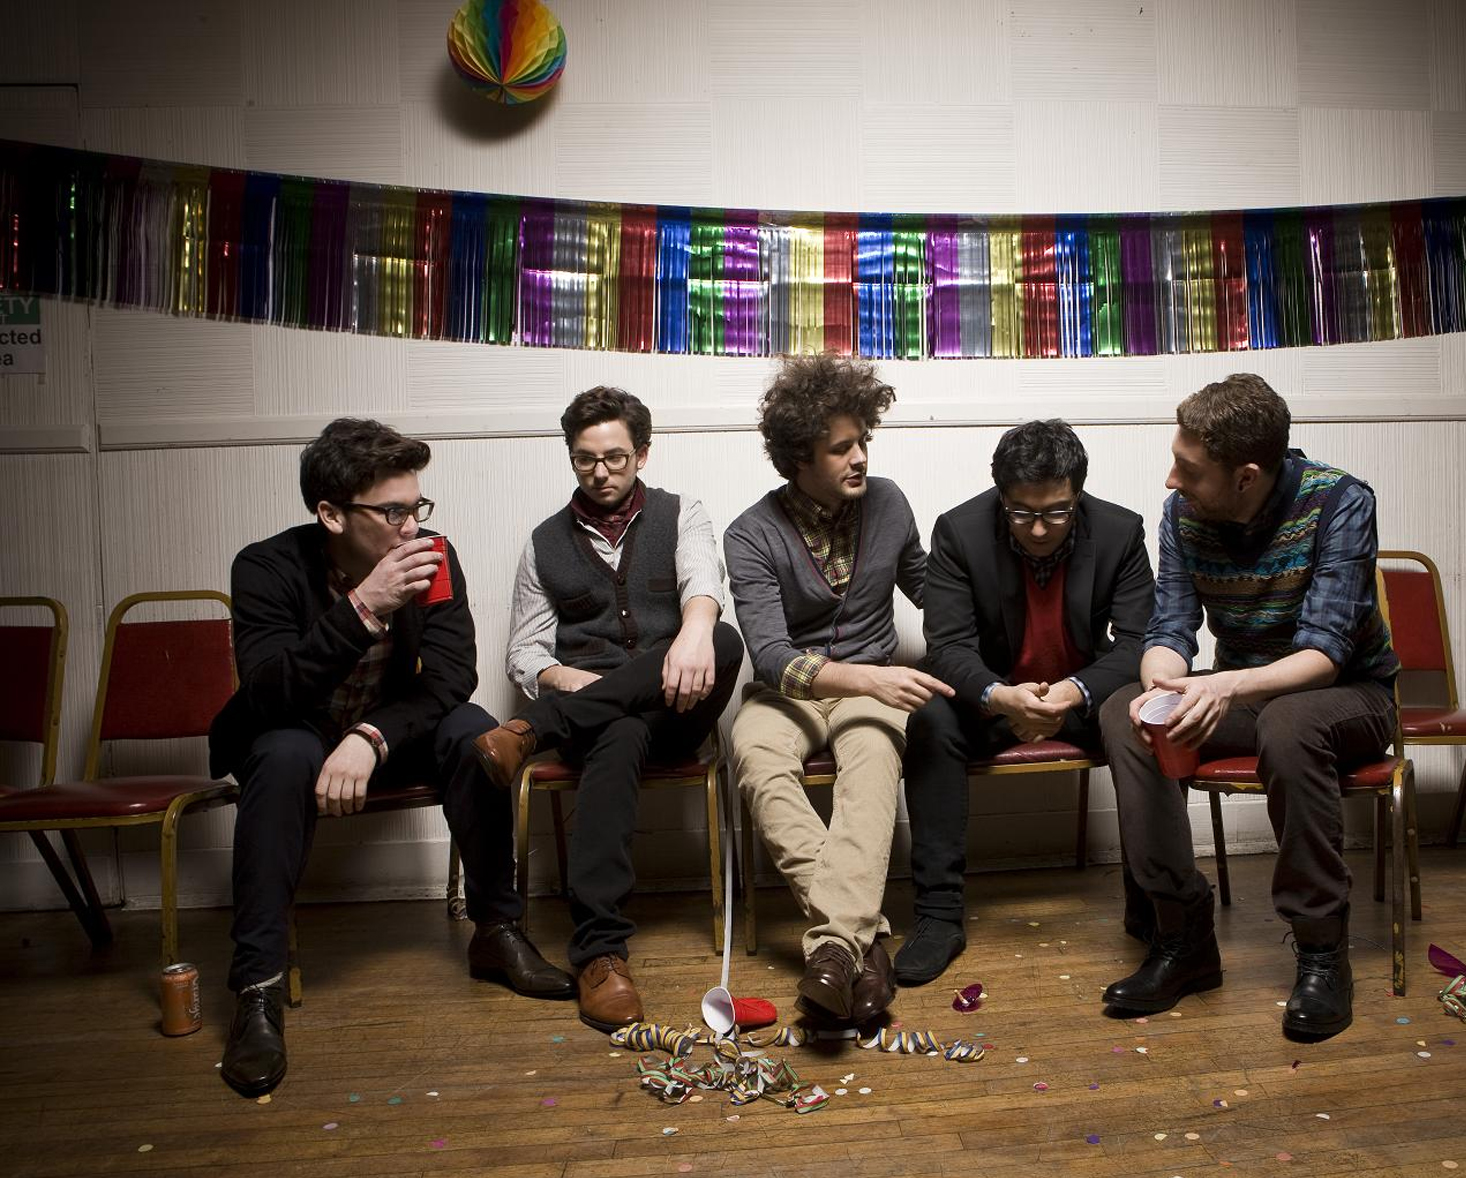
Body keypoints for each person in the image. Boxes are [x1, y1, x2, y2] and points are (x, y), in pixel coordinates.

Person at [208, 418, 572, 1099]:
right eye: (393, 512)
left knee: (474, 730)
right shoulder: (264, 567)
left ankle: (497, 929)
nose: (412, 527)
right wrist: (362, 608)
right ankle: (258, 986)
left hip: (386, 738)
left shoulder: (431, 557)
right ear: (332, 514)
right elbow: (267, 691)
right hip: (295, 733)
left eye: (417, 506)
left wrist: (370, 736)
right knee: (282, 754)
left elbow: (451, 676)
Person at [1100, 374, 1398, 1042]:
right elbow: (1170, 628)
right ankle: (1183, 936)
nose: (1172, 479)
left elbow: (1325, 653)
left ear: (1246, 477)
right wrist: (1161, 688)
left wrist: (1223, 688)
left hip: (1350, 696)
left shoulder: (1340, 501)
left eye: (1189, 469)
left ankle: (1322, 952)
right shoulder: (1182, 515)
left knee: (1289, 723)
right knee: (1124, 713)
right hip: (1244, 691)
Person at [471, 388, 743, 1031]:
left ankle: (531, 730)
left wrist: (695, 631)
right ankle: (600, 954)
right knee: (616, 727)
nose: (600, 471)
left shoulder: (682, 513)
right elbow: (525, 652)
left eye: (615, 457)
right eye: (585, 459)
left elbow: (703, 583)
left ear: (641, 454)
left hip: (676, 706)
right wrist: (573, 681)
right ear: (572, 458)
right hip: (594, 719)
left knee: (724, 639)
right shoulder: (544, 542)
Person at [723, 355, 950, 1027]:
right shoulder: (750, 534)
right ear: (799, 456)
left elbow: (931, 590)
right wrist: (870, 676)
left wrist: (987, 634)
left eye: (863, 441)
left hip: (869, 688)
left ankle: (831, 955)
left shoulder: (889, 501)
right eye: (841, 448)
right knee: (757, 758)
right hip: (789, 694)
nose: (860, 458)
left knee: (874, 760)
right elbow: (770, 657)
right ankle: (864, 944)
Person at [894, 419, 1153, 985]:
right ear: (1000, 496)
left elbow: (1139, 643)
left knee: (1144, 713)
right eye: (1021, 512)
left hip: (1080, 699)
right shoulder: (959, 532)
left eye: (1057, 512)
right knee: (930, 717)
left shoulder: (1120, 531)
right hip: (992, 698)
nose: (1038, 529)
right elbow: (948, 647)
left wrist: (1071, 693)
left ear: (1078, 494)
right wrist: (1001, 697)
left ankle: (1150, 900)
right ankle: (938, 916)